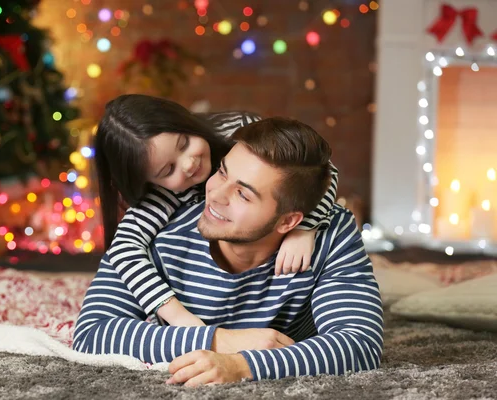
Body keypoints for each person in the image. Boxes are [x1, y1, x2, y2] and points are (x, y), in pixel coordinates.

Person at [75, 117, 383, 385]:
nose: (215, 195)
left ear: (289, 221)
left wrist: (242, 365)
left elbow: (360, 345)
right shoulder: (157, 231)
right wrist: (219, 340)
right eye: (222, 172)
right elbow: (92, 334)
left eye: (243, 195)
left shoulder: (331, 233)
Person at [95, 94, 339, 326]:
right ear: (149, 182)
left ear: (185, 122)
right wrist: (179, 318)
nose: (189, 164)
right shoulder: (159, 196)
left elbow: (320, 172)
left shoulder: (237, 129)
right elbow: (124, 248)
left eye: (184, 143)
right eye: (168, 170)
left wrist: (306, 227)